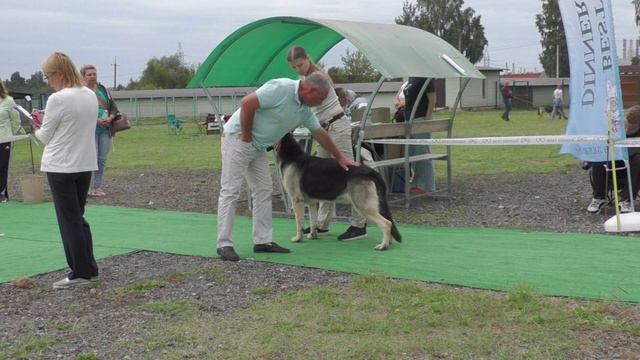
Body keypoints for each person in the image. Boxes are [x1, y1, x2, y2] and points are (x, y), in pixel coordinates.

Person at [216, 72, 357, 261]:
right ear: (309, 89)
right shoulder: (280, 88)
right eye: (319, 99)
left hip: (257, 145)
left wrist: (340, 157)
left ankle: (263, 241)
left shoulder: (304, 109)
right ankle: (224, 244)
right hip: (238, 138)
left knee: (264, 190)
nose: (319, 104)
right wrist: (247, 136)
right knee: (231, 191)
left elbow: (319, 132)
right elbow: (247, 103)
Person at [31, 52, 99, 288]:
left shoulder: (58, 99)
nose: (47, 80)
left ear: (59, 74)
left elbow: (44, 136)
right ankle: (88, 266)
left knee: (68, 220)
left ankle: (79, 271)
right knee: (77, 217)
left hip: (61, 165)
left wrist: (35, 125)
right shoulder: (90, 95)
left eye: (47, 76)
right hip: (84, 164)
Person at [287, 45, 368, 241]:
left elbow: (304, 105)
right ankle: (321, 224)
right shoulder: (304, 79)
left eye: (300, 64)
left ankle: (359, 224)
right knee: (321, 175)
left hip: (336, 126)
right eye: (294, 67)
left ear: (307, 58)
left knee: (349, 172)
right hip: (323, 130)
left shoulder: (318, 77)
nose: (298, 69)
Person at [586, 105, 640, 213]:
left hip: (632, 169)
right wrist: (588, 159)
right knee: (599, 158)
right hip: (611, 166)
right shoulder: (613, 128)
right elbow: (598, 145)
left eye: (631, 128)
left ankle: (626, 200)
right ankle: (598, 197)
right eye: (626, 126)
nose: (627, 130)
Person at [80, 64, 119, 197]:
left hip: (105, 130)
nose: (92, 76)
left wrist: (110, 117)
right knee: (92, 159)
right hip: (90, 131)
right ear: (83, 77)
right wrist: (95, 120)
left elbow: (113, 107)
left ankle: (97, 186)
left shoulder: (103, 89)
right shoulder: (81, 92)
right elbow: (80, 112)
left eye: (94, 74)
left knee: (102, 159)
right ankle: (89, 187)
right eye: (89, 74)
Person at [403, 77, 437, 194]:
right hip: (409, 120)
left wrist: (427, 119)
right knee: (413, 152)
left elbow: (432, 98)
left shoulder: (426, 77)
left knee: (422, 151)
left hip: (420, 119)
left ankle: (428, 186)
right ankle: (417, 183)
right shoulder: (411, 78)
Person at [0, 78, 23, 202]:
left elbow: (15, 119)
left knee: (3, 167)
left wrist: (14, 134)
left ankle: (2, 194)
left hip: (5, 139)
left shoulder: (8, 101)